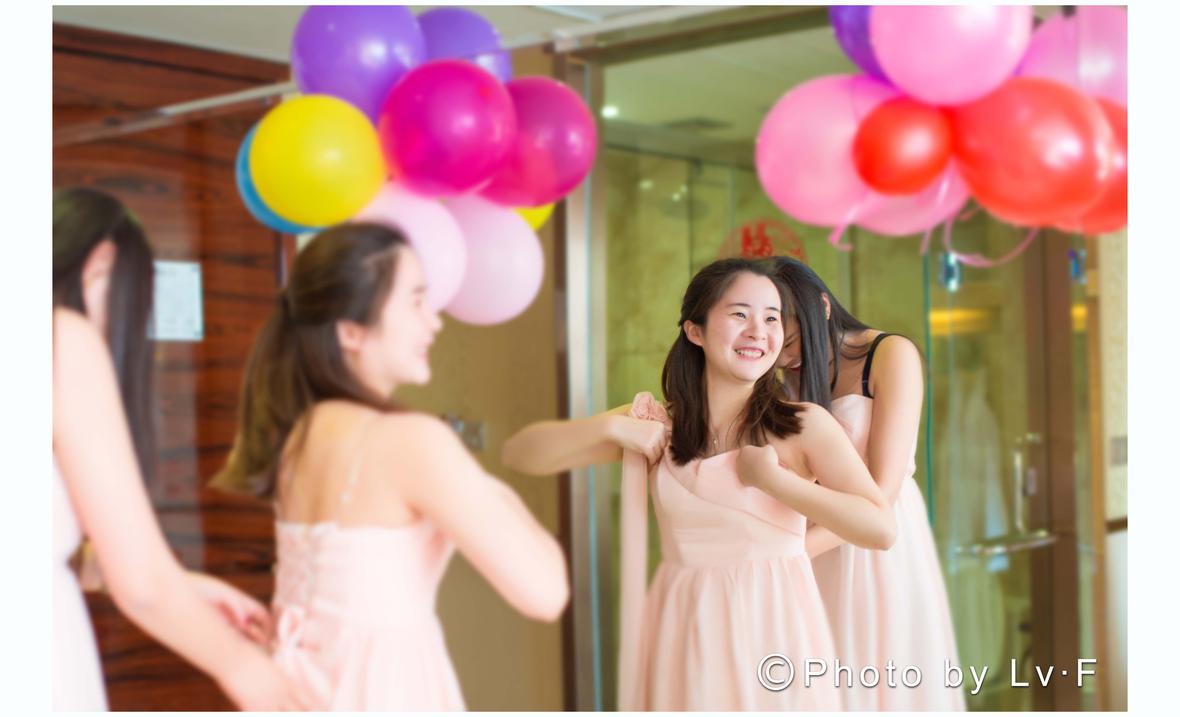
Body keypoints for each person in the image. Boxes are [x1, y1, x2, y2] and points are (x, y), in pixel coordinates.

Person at [502, 258, 895, 710]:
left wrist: (774, 482)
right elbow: (521, 453)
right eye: (740, 314)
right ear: (695, 331)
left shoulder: (804, 425)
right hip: (682, 629)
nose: (759, 332)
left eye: (771, 318)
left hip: (772, 634)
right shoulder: (657, 425)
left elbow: (880, 528)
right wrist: (608, 428)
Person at [212, 222, 569, 710]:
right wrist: (485, 485)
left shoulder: (299, 433)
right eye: (416, 302)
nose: (434, 322)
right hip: (383, 690)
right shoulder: (410, 441)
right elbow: (546, 593)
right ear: (351, 331)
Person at [52, 187, 308, 710]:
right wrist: (245, 670)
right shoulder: (60, 340)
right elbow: (142, 584)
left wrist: (183, 586)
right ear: (99, 268)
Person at [771, 256, 965, 710]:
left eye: (793, 342)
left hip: (877, 542)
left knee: (881, 679)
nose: (786, 359)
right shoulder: (784, 375)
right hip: (811, 539)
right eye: (778, 349)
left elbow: (883, 490)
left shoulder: (890, 354)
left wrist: (789, 555)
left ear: (822, 307)